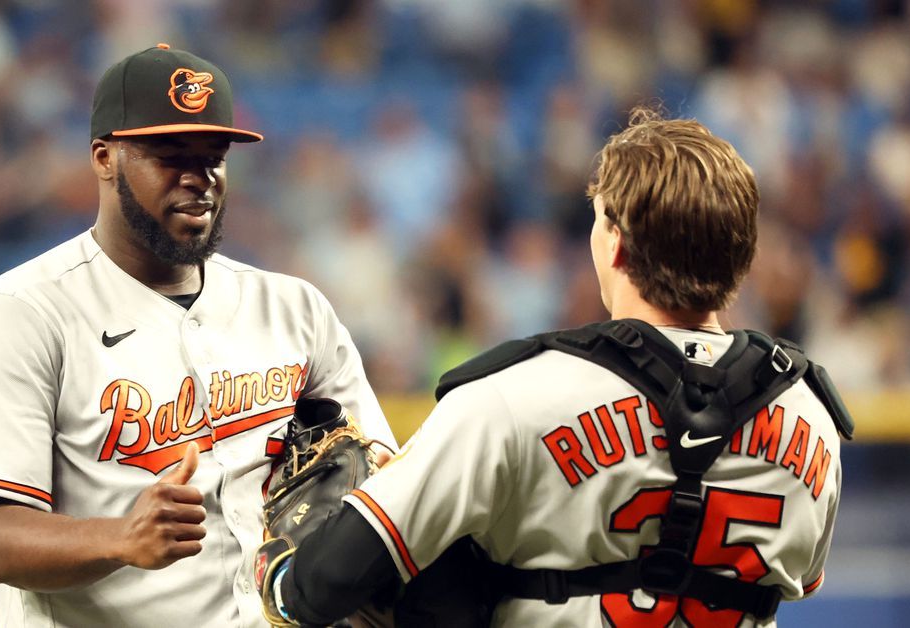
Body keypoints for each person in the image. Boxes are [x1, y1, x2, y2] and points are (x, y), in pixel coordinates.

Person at [260, 108, 852, 627]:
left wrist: (279, 576)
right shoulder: (813, 417)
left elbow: (320, 587)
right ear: (742, 255)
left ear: (614, 243)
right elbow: (802, 578)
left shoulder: (513, 397)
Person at [0, 43, 396, 628]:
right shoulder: (11, 318)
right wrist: (119, 537)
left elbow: (378, 476)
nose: (200, 179)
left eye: (213, 155)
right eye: (170, 155)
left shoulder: (294, 307)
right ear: (104, 158)